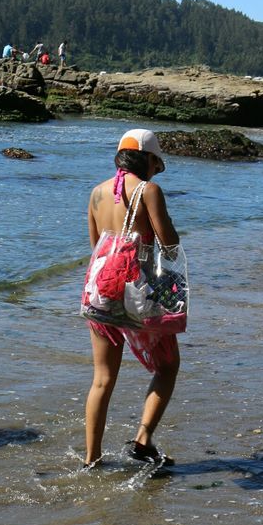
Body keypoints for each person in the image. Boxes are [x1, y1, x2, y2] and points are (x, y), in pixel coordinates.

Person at [83, 128, 180, 468]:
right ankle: (142, 440)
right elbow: (168, 241)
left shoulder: (96, 193)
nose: (157, 169)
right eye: (157, 162)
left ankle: (91, 460)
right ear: (148, 159)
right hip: (137, 292)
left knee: (102, 378)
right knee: (168, 366)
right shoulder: (149, 191)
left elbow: (96, 246)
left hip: (100, 290)